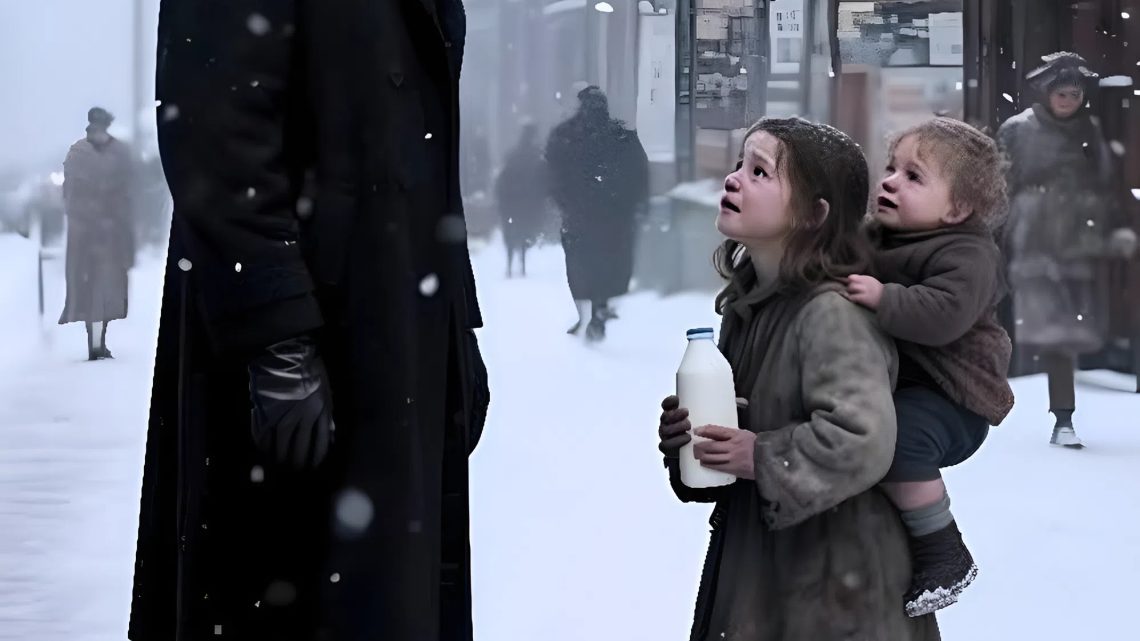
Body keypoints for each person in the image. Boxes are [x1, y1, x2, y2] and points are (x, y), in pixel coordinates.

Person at [129, 2, 489, 640]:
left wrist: (460, 325)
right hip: (309, 325)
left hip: (390, 313)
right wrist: (275, 333)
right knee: (291, 593)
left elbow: (425, 151)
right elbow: (218, 129)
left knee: (381, 594)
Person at [657, 118, 940, 640]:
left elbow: (863, 438)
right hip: (768, 578)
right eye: (739, 164)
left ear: (813, 215)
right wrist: (695, 443)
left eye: (759, 172)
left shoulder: (832, 312)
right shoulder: (749, 309)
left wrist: (760, 456)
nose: (733, 179)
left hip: (838, 592)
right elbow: (744, 441)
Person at [845, 117, 1015, 616]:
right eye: (891, 168)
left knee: (898, 439)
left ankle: (944, 549)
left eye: (914, 176)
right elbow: (842, 258)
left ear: (957, 208)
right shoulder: (881, 235)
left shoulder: (969, 254)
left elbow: (944, 316)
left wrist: (884, 297)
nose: (891, 182)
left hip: (955, 399)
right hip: (910, 385)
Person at [996, 51, 1137, 448]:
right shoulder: (1018, 130)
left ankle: (1062, 415)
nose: (1068, 100)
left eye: (1075, 94)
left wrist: (1115, 228)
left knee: (1065, 332)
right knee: (1042, 329)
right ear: (1046, 93)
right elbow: (999, 185)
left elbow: (1106, 184)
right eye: (1062, 93)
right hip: (1032, 238)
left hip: (1078, 240)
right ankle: (1046, 411)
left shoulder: (1089, 130)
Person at [546, 86, 649, 342]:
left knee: (580, 265)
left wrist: (565, 204)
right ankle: (599, 308)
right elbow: (639, 176)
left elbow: (553, 177)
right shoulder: (621, 138)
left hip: (579, 217)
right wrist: (629, 206)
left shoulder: (565, 137)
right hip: (612, 218)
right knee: (607, 264)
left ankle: (588, 312)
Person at [59, 107, 135, 360]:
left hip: (112, 234)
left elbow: (127, 191)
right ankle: (94, 344)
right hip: (86, 233)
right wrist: (90, 214)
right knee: (89, 288)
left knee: (109, 289)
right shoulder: (78, 153)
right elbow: (70, 193)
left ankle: (100, 341)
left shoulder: (118, 152)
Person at [494, 123, 549, 278]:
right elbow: (541, 180)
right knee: (524, 232)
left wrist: (502, 200)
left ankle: (510, 264)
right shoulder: (535, 155)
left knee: (511, 233)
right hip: (525, 202)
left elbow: (503, 180)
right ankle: (521, 265)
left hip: (512, 202)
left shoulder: (513, 155)